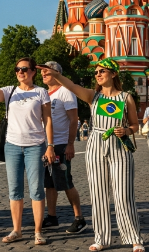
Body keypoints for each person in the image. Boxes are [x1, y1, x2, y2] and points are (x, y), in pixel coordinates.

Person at [40, 58, 145, 252]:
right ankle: (101, 238)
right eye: (96, 72)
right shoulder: (92, 96)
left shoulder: (126, 97)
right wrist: (55, 75)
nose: (98, 74)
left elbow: (135, 125)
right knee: (98, 194)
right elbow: (71, 86)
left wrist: (127, 130)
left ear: (113, 73)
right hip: (96, 145)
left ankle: (134, 238)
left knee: (124, 195)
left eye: (102, 71)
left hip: (119, 146)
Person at [0, 57, 55, 245]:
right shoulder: (9, 91)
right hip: (12, 146)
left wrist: (50, 145)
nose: (20, 72)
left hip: (36, 145)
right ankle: (17, 230)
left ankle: (38, 231)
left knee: (36, 189)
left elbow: (48, 120)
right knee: (15, 189)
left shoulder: (41, 92)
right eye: (17, 69)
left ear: (33, 72)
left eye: (24, 69)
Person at [39, 61, 87, 234]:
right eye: (42, 72)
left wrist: (70, 144)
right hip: (47, 145)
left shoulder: (66, 92)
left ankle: (79, 218)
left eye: (47, 72)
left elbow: (74, 120)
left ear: (57, 73)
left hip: (60, 144)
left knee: (65, 182)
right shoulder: (44, 93)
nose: (43, 75)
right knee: (49, 183)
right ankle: (52, 217)